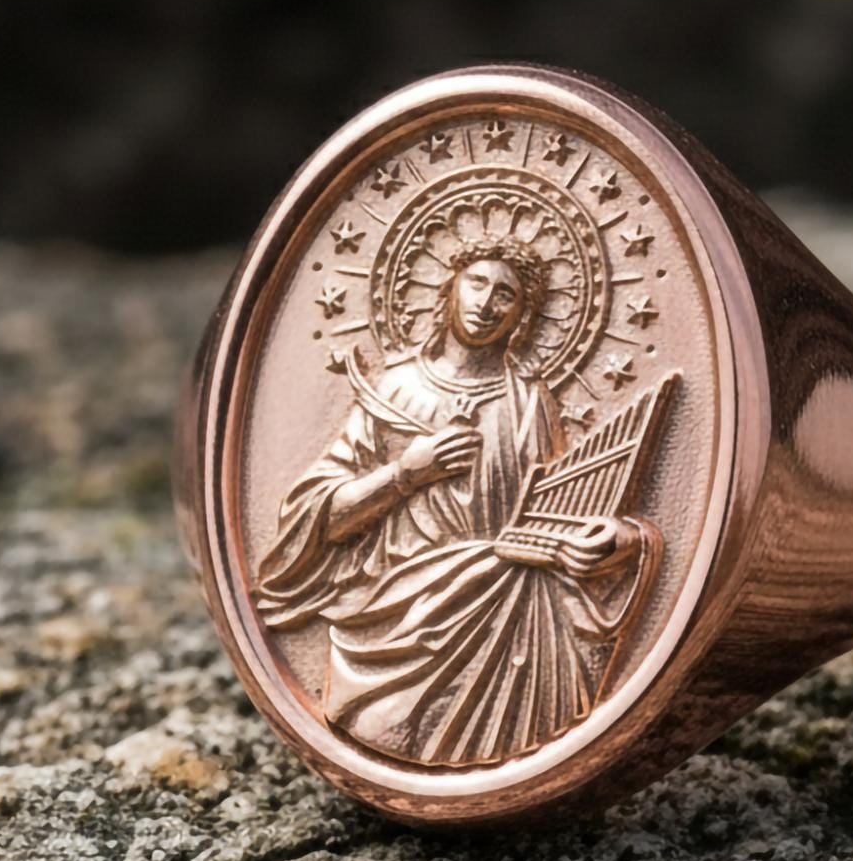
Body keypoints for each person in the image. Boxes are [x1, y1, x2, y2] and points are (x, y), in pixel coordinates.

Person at [256, 242, 654, 766]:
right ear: (449, 288)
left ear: (522, 318)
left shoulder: (529, 405)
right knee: (381, 729)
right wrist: (406, 474)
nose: (486, 303)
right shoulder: (393, 390)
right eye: (477, 283)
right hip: (394, 618)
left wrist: (617, 540)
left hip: (509, 626)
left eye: (506, 295)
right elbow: (318, 514)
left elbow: (554, 512)